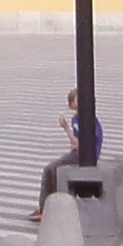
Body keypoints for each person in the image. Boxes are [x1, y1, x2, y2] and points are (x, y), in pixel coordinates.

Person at [29, 88, 102, 222]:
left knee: (50, 169)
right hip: (88, 154)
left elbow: (77, 143)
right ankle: (49, 205)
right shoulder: (88, 117)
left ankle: (45, 208)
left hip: (81, 154)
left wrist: (65, 127)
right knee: (54, 169)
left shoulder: (78, 119)